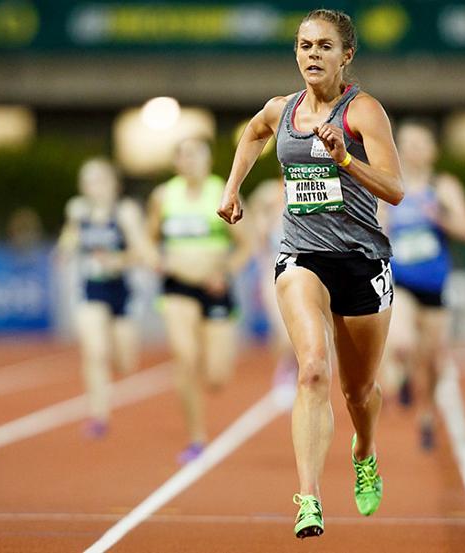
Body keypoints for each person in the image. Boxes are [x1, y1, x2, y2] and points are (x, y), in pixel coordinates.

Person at [216, 9, 404, 539]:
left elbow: (394, 189)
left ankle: (364, 450)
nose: (312, 55)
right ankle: (309, 498)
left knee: (359, 390)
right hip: (302, 257)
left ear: (347, 56)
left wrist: (346, 160)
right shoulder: (283, 109)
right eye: (304, 45)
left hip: (363, 261)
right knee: (312, 370)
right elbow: (253, 134)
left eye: (324, 46)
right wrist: (231, 190)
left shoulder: (363, 111)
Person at [378, 120, 465, 451]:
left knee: (434, 358)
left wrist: (440, 217)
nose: (413, 150)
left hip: (434, 286)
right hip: (401, 281)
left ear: (432, 151)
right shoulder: (389, 187)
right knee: (404, 342)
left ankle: (426, 414)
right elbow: (376, 232)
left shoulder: (444, 187)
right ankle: (405, 372)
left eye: (420, 144)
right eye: (406, 144)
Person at [148, 137, 251, 464]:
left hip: (215, 288)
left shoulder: (223, 192)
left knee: (217, 376)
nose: (188, 160)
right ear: (176, 162)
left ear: (207, 160)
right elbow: (150, 238)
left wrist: (226, 272)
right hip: (178, 286)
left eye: (194, 155)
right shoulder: (164, 196)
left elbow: (247, 244)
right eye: (182, 155)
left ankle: (211, 374)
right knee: (185, 356)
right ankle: (196, 436)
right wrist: (157, 260)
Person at [54, 158, 151, 439]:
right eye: (89, 181)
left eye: (100, 180)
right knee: (95, 352)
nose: (95, 187)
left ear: (114, 184)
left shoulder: (125, 212)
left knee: (125, 363)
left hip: (122, 289)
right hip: (91, 288)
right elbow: (69, 238)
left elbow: (142, 251)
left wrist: (117, 260)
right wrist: (64, 250)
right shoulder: (77, 210)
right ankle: (98, 416)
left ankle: (115, 373)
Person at [248, 177, 298, 401]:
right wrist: (263, 219)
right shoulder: (269, 192)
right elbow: (252, 227)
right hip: (274, 271)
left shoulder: (318, 185)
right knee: (283, 330)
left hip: (307, 270)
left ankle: (298, 368)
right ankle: (285, 370)